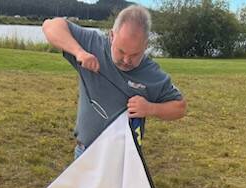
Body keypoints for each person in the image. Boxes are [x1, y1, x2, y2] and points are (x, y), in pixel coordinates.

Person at [42, 5, 187, 159]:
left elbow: (180, 107)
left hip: (123, 160)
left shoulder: (152, 74)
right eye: (121, 51)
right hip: (85, 153)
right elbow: (50, 26)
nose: (126, 60)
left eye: (135, 54)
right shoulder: (92, 45)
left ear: (146, 46)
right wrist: (79, 52)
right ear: (112, 36)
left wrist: (150, 108)